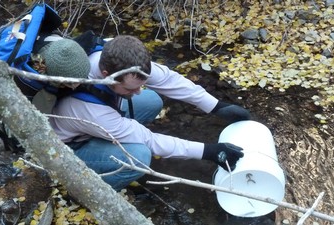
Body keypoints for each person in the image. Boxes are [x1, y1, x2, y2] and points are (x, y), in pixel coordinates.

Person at [49, 35, 251, 191]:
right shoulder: (89, 109)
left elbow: (169, 80)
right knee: (139, 156)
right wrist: (208, 151)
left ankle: (116, 134)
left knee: (152, 99)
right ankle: (87, 191)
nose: (137, 91)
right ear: (106, 76)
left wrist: (216, 106)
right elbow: (150, 141)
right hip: (70, 146)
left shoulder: (116, 52)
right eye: (130, 89)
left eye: (141, 84)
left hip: (96, 118)